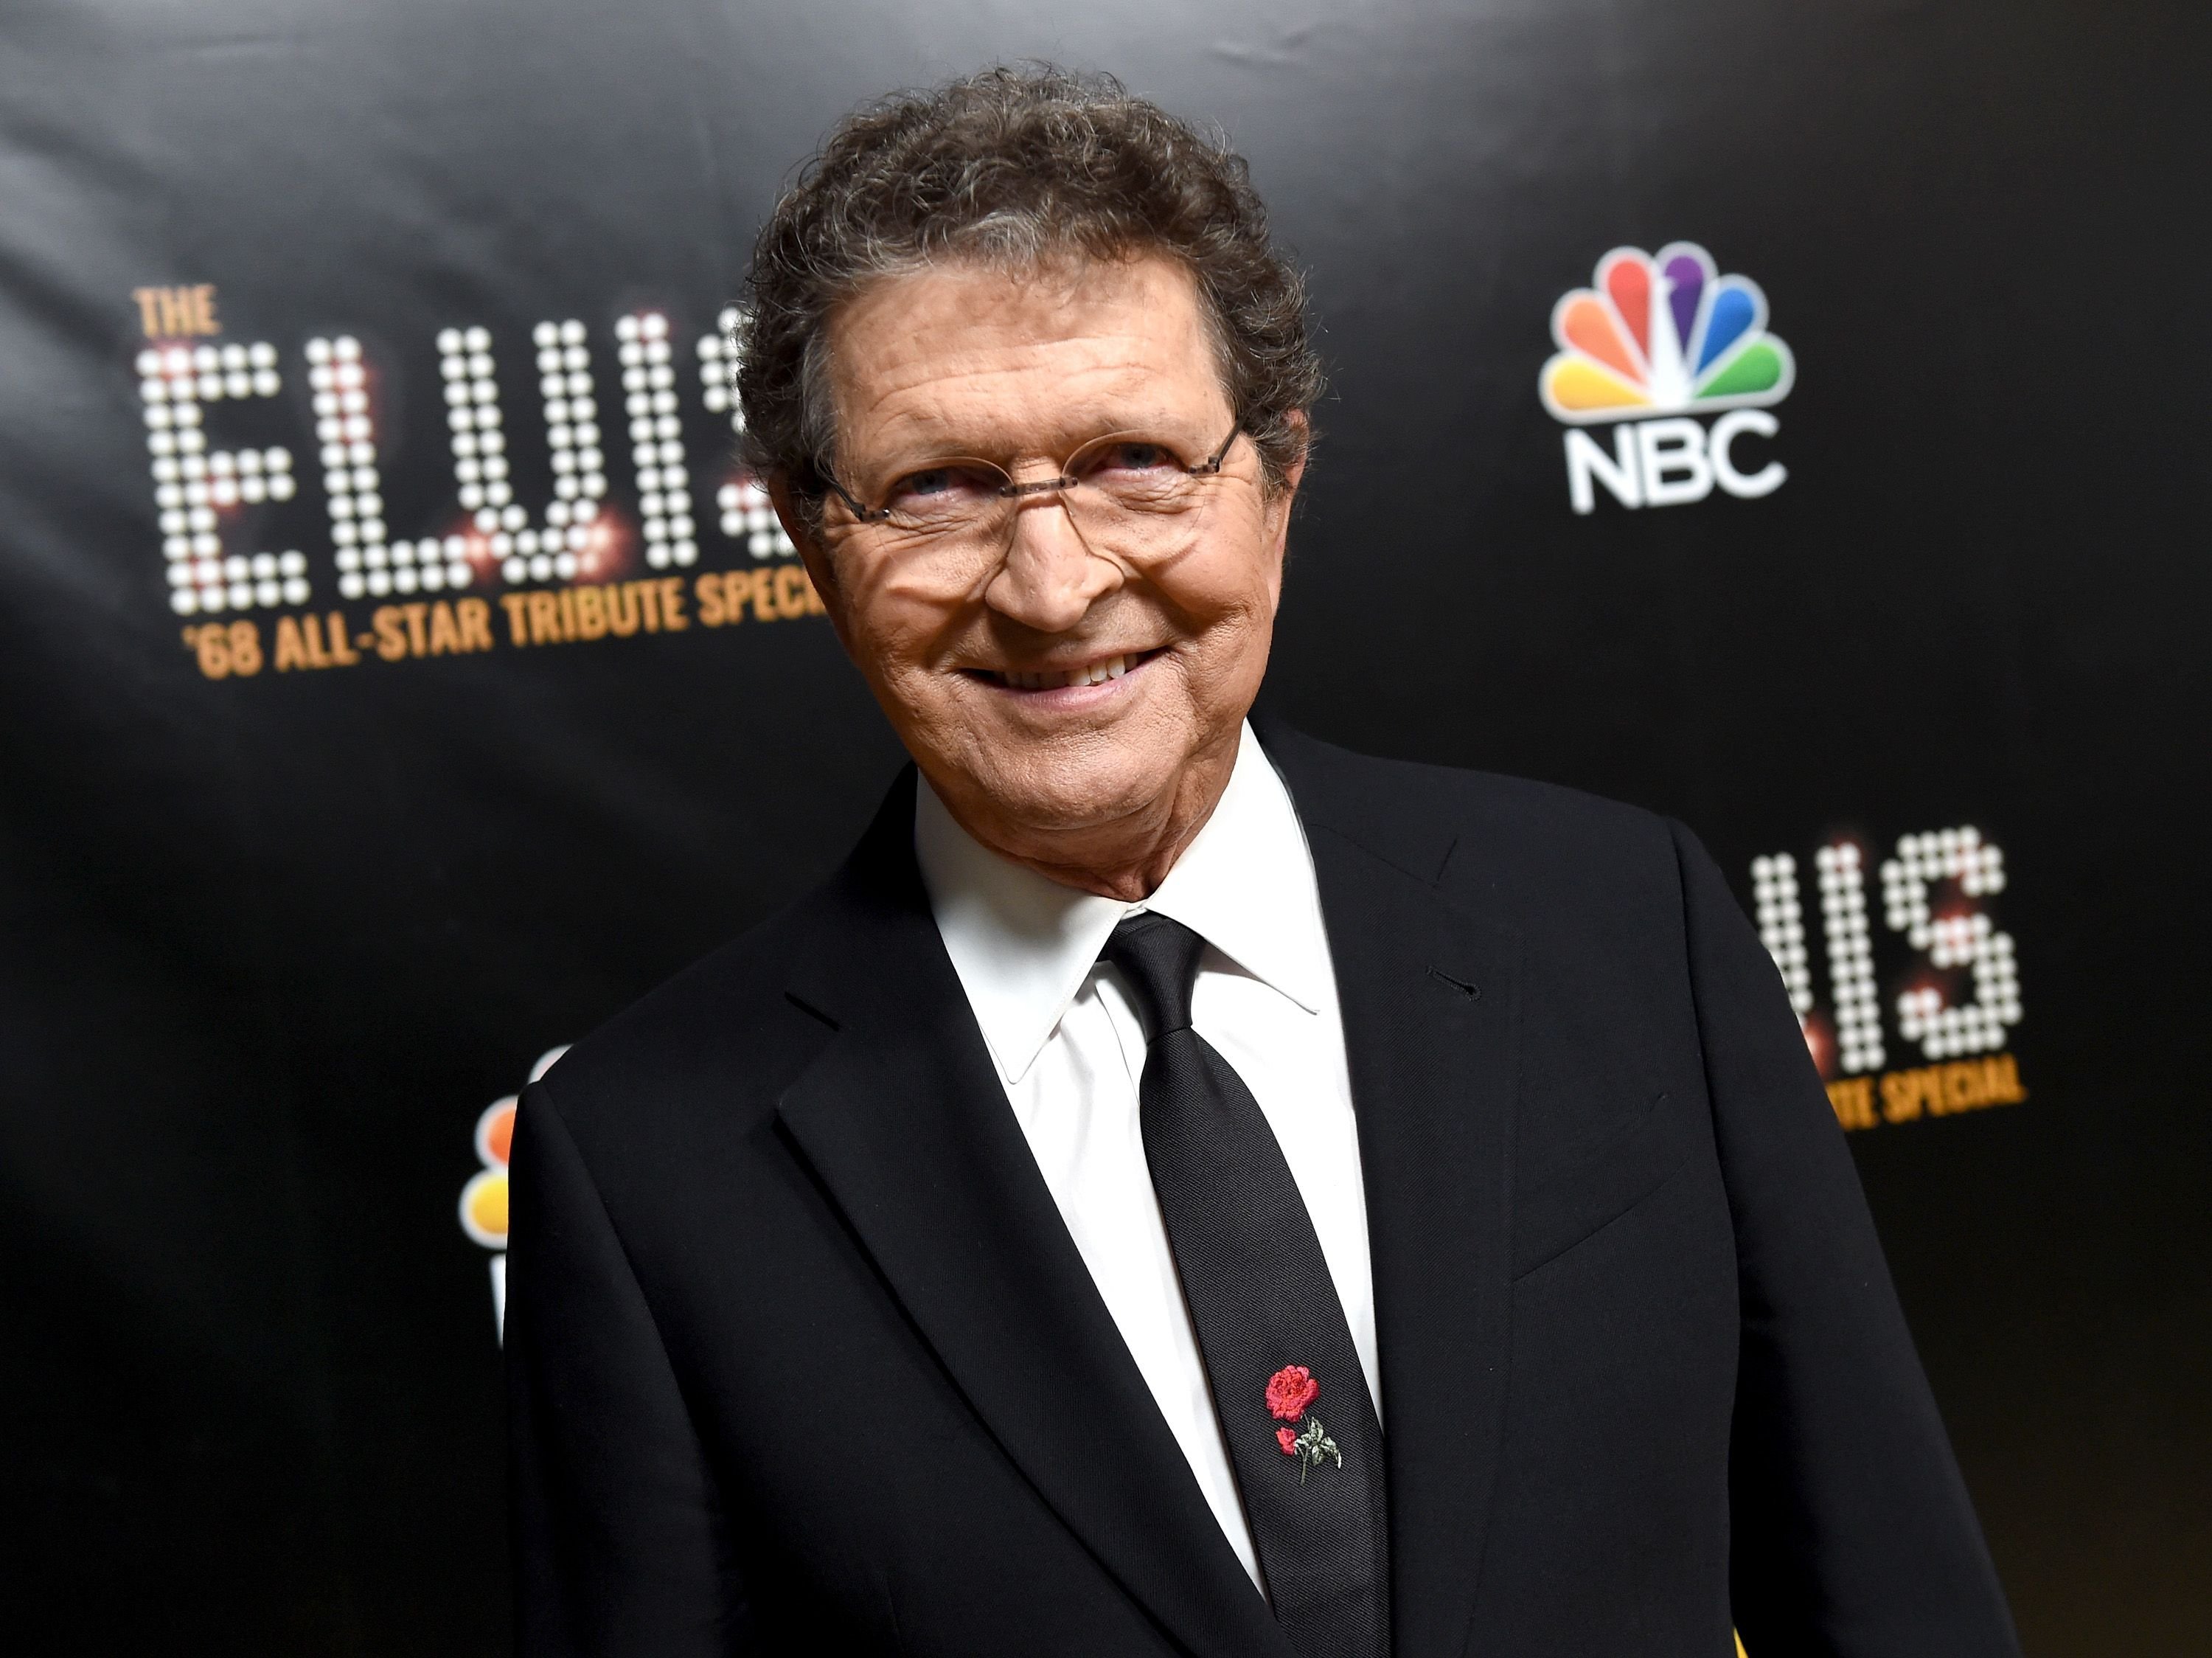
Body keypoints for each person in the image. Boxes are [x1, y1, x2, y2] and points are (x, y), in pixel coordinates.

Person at [506, 65, 2020, 1658]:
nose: (1050, 581)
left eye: (1134, 462)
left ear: (1278, 481)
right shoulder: (646, 1162)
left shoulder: (1626, 926)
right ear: (820, 541)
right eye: (938, 487)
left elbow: (1895, 1601)